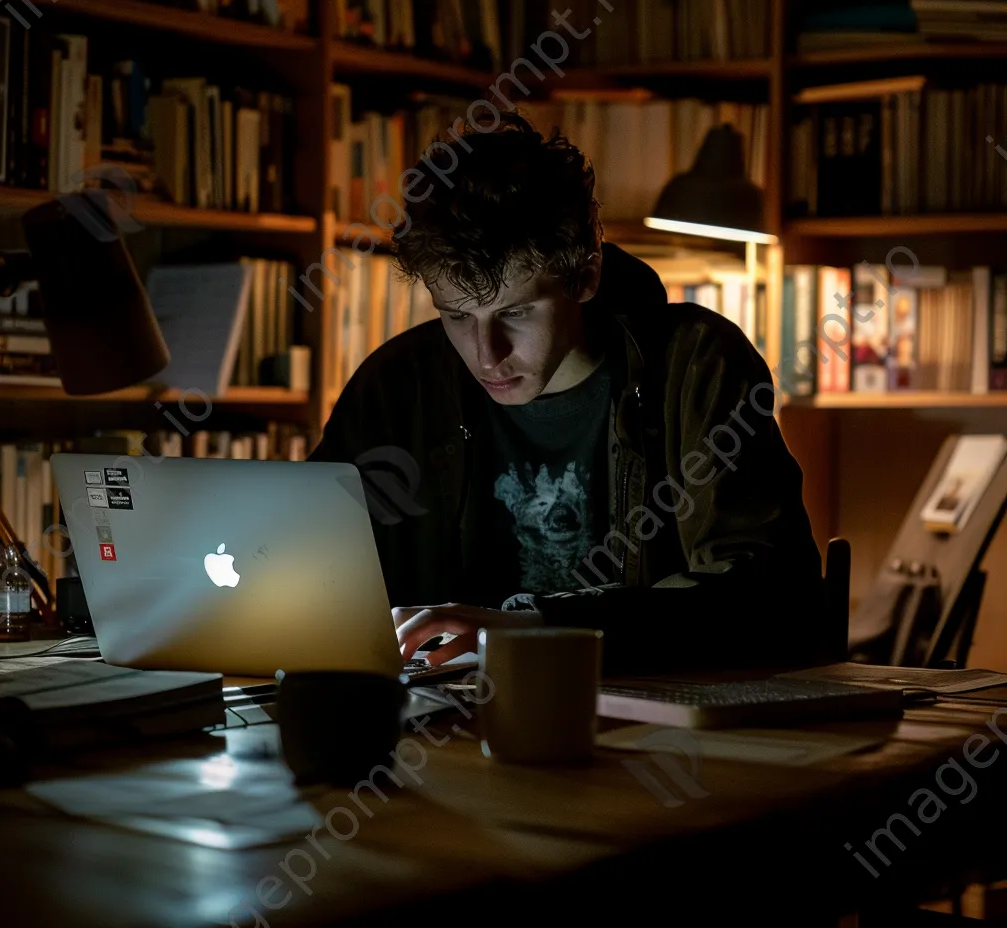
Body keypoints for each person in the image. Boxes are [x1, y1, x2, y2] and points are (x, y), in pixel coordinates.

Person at [309, 110, 824, 674]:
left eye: (517, 313)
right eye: (456, 317)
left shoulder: (696, 365)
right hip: (438, 716)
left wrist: (541, 627)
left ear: (586, 277)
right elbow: (305, 567)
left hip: (646, 726)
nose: (487, 355)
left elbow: (767, 598)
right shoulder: (397, 383)